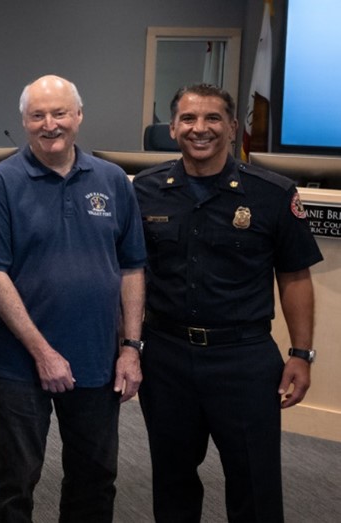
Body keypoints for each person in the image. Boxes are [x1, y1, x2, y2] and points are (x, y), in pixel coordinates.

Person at [133, 83, 321, 523]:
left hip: (244, 358)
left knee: (254, 483)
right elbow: (130, 273)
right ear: (174, 127)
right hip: (166, 356)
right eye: (189, 119)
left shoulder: (271, 193)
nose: (201, 129)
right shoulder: (144, 190)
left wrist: (301, 353)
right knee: (172, 479)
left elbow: (294, 277)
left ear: (233, 127)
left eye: (213, 118)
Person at [0, 74, 146, 522]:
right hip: (18, 365)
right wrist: (44, 353)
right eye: (38, 115)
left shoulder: (113, 181)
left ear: (79, 117)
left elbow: (132, 268)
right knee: (18, 478)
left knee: (94, 478)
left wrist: (130, 349)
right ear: (24, 122)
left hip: (97, 359)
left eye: (60, 113)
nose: (50, 124)